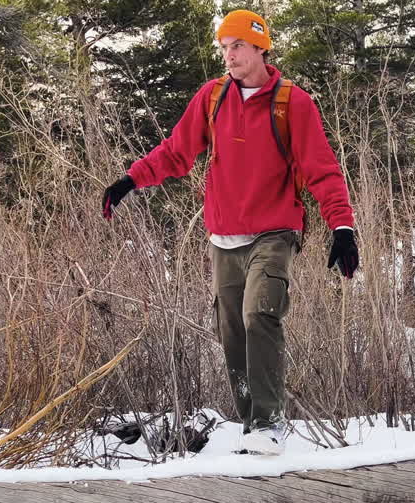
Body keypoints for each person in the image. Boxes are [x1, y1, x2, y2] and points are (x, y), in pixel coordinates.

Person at [101, 9, 359, 455]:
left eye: (237, 45)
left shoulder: (292, 103)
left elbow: (323, 171)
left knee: (261, 312)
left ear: (261, 47)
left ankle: (270, 423)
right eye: (224, 47)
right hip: (224, 236)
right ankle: (252, 427)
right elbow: (176, 152)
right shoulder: (212, 98)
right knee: (232, 331)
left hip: (275, 230)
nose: (229, 55)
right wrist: (130, 180)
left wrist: (342, 226)